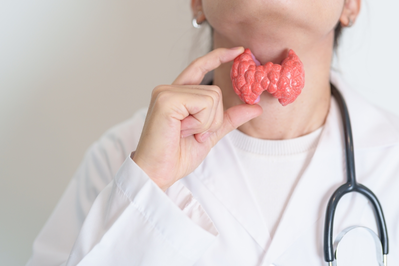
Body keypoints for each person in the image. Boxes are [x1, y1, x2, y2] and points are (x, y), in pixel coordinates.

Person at [27, 0, 399, 265]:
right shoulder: (119, 158)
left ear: (351, 5)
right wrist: (147, 187)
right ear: (198, 3)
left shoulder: (391, 162)